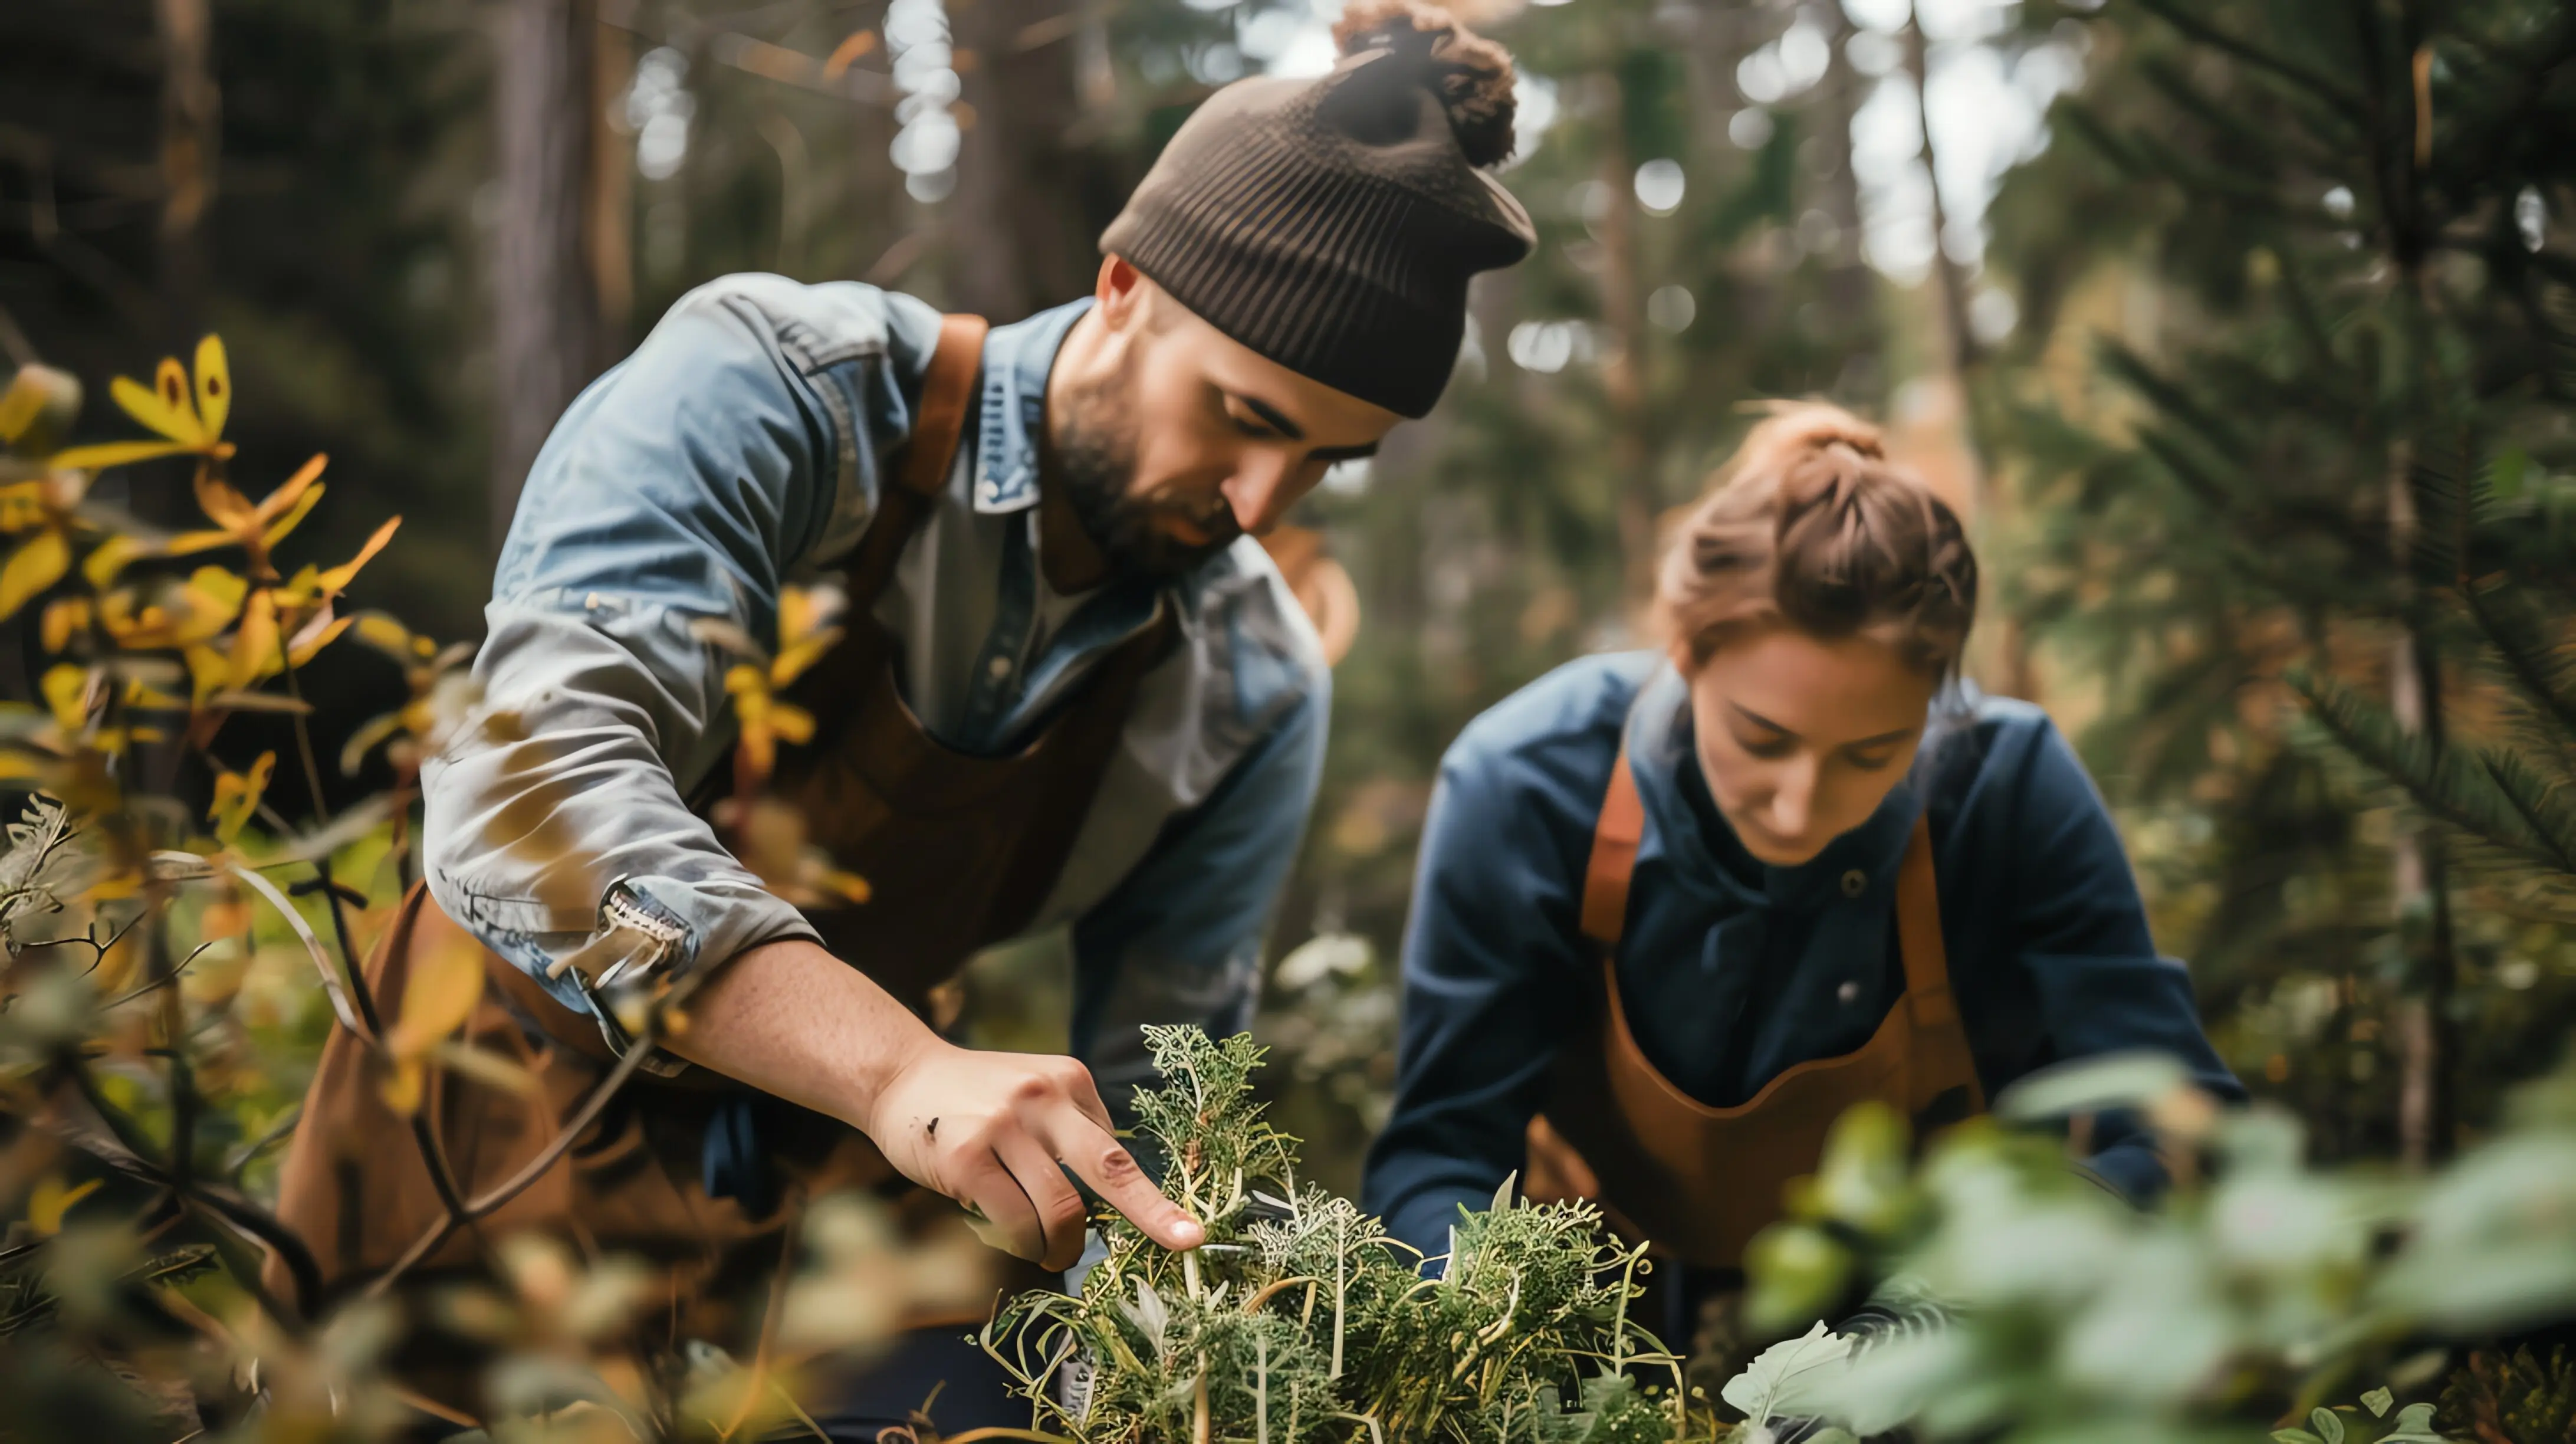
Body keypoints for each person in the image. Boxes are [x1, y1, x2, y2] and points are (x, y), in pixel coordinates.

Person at [262, 5, 1534, 1433]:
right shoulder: (783, 390)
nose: (1261, 507)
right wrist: (898, 1068)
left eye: (1329, 463)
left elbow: (1171, 1092)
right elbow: (520, 801)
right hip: (485, 1103)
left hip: (845, 1205)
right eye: (1241, 415)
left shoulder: (1251, 685)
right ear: (1123, 286)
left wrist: (1154, 1356)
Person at [1360, 403, 2245, 1360]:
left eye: (1873, 752)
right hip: (1609, 1319)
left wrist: (1939, 1323)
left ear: (1937, 699)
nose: (1799, 806)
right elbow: (1440, 1155)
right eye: (1761, 740)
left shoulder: (2010, 788)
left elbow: (2178, 1128)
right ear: (1686, 653)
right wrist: (1498, 1341)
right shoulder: (1526, 783)